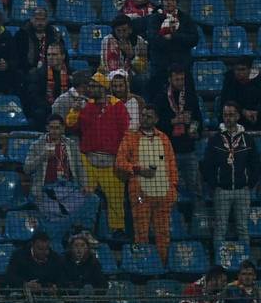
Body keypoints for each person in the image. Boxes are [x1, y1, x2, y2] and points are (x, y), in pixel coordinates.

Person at [117, 104, 178, 261]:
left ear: (156, 119)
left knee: (163, 232)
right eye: (143, 115)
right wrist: (137, 169)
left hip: (163, 195)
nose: (144, 119)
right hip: (140, 194)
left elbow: (171, 165)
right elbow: (120, 163)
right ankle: (142, 264)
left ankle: (163, 263)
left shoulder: (164, 138)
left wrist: (173, 189)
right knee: (141, 232)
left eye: (148, 116)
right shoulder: (130, 137)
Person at [77, 73, 129, 237]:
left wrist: (122, 156)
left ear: (103, 88)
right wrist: (75, 109)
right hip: (89, 159)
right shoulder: (86, 105)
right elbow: (71, 125)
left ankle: (117, 229)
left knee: (115, 199)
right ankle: (85, 230)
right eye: (90, 86)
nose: (90, 89)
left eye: (94, 86)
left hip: (111, 160)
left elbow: (124, 131)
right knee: (85, 197)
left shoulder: (117, 105)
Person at [202, 101, 260, 243]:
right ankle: (219, 262)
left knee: (242, 228)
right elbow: (207, 165)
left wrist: (249, 184)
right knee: (220, 228)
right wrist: (215, 185)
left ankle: (245, 261)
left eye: (231, 115)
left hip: (242, 190)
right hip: (222, 190)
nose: (228, 118)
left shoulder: (247, 139)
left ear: (238, 116)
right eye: (225, 115)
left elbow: (256, 164)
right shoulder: (215, 140)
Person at [153, 65, 203, 201]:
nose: (180, 82)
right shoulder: (161, 98)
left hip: (189, 150)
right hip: (169, 151)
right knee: (169, 188)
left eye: (182, 79)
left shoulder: (190, 96)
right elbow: (156, 124)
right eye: (177, 79)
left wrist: (195, 129)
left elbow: (198, 119)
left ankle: (196, 219)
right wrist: (173, 121)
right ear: (170, 79)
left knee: (195, 189)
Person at [25, 113, 87, 218]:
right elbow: (27, 169)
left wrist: (84, 184)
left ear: (63, 129)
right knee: (57, 214)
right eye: (51, 128)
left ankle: (81, 230)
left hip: (69, 188)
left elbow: (79, 167)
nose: (54, 131)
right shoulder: (37, 145)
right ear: (47, 128)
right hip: (46, 189)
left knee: (93, 200)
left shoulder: (71, 145)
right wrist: (43, 156)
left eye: (57, 128)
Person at [23, 42, 70, 127]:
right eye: (48, 55)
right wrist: (53, 108)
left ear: (63, 56)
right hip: (46, 111)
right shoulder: (38, 74)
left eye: (54, 54)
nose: (51, 57)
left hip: (66, 109)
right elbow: (34, 97)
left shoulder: (70, 73)